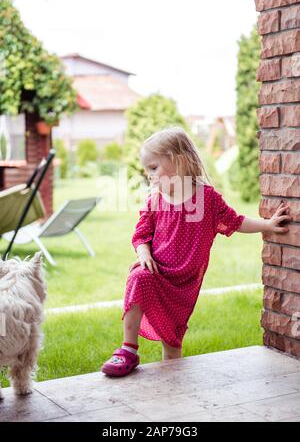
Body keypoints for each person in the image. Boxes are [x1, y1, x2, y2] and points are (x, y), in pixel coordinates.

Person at [101, 126, 291, 377]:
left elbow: (235, 221)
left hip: (184, 283)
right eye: (147, 170)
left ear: (178, 162)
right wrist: (143, 255)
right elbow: (141, 235)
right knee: (138, 278)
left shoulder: (207, 199)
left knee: (172, 337)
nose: (149, 176)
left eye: (154, 168)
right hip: (157, 273)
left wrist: (266, 225)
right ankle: (128, 349)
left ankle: (173, 379)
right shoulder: (155, 200)